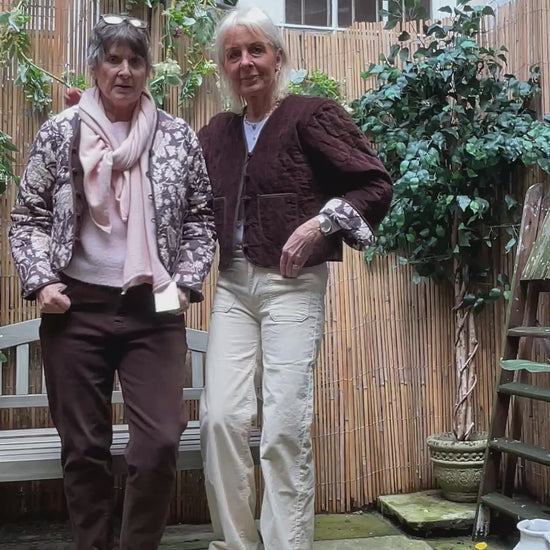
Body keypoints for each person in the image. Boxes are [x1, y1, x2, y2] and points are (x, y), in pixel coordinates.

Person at [9, 14, 216, 550]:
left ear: (148, 70)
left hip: (153, 308)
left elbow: (200, 219)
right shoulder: (62, 132)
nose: (124, 71)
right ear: (95, 67)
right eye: (113, 59)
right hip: (74, 309)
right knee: (83, 449)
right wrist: (41, 281)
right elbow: (28, 218)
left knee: (159, 443)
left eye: (135, 60)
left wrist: (185, 283)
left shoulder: (176, 137)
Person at [196, 6, 393, 550]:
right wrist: (91, 113)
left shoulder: (311, 115)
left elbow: (374, 184)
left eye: (255, 50)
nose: (245, 62)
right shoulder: (216, 134)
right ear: (223, 67)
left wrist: (319, 224)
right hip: (234, 286)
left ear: (277, 57)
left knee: (283, 426)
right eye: (233, 54)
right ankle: (236, 544)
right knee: (220, 419)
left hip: (291, 285)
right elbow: (170, 181)